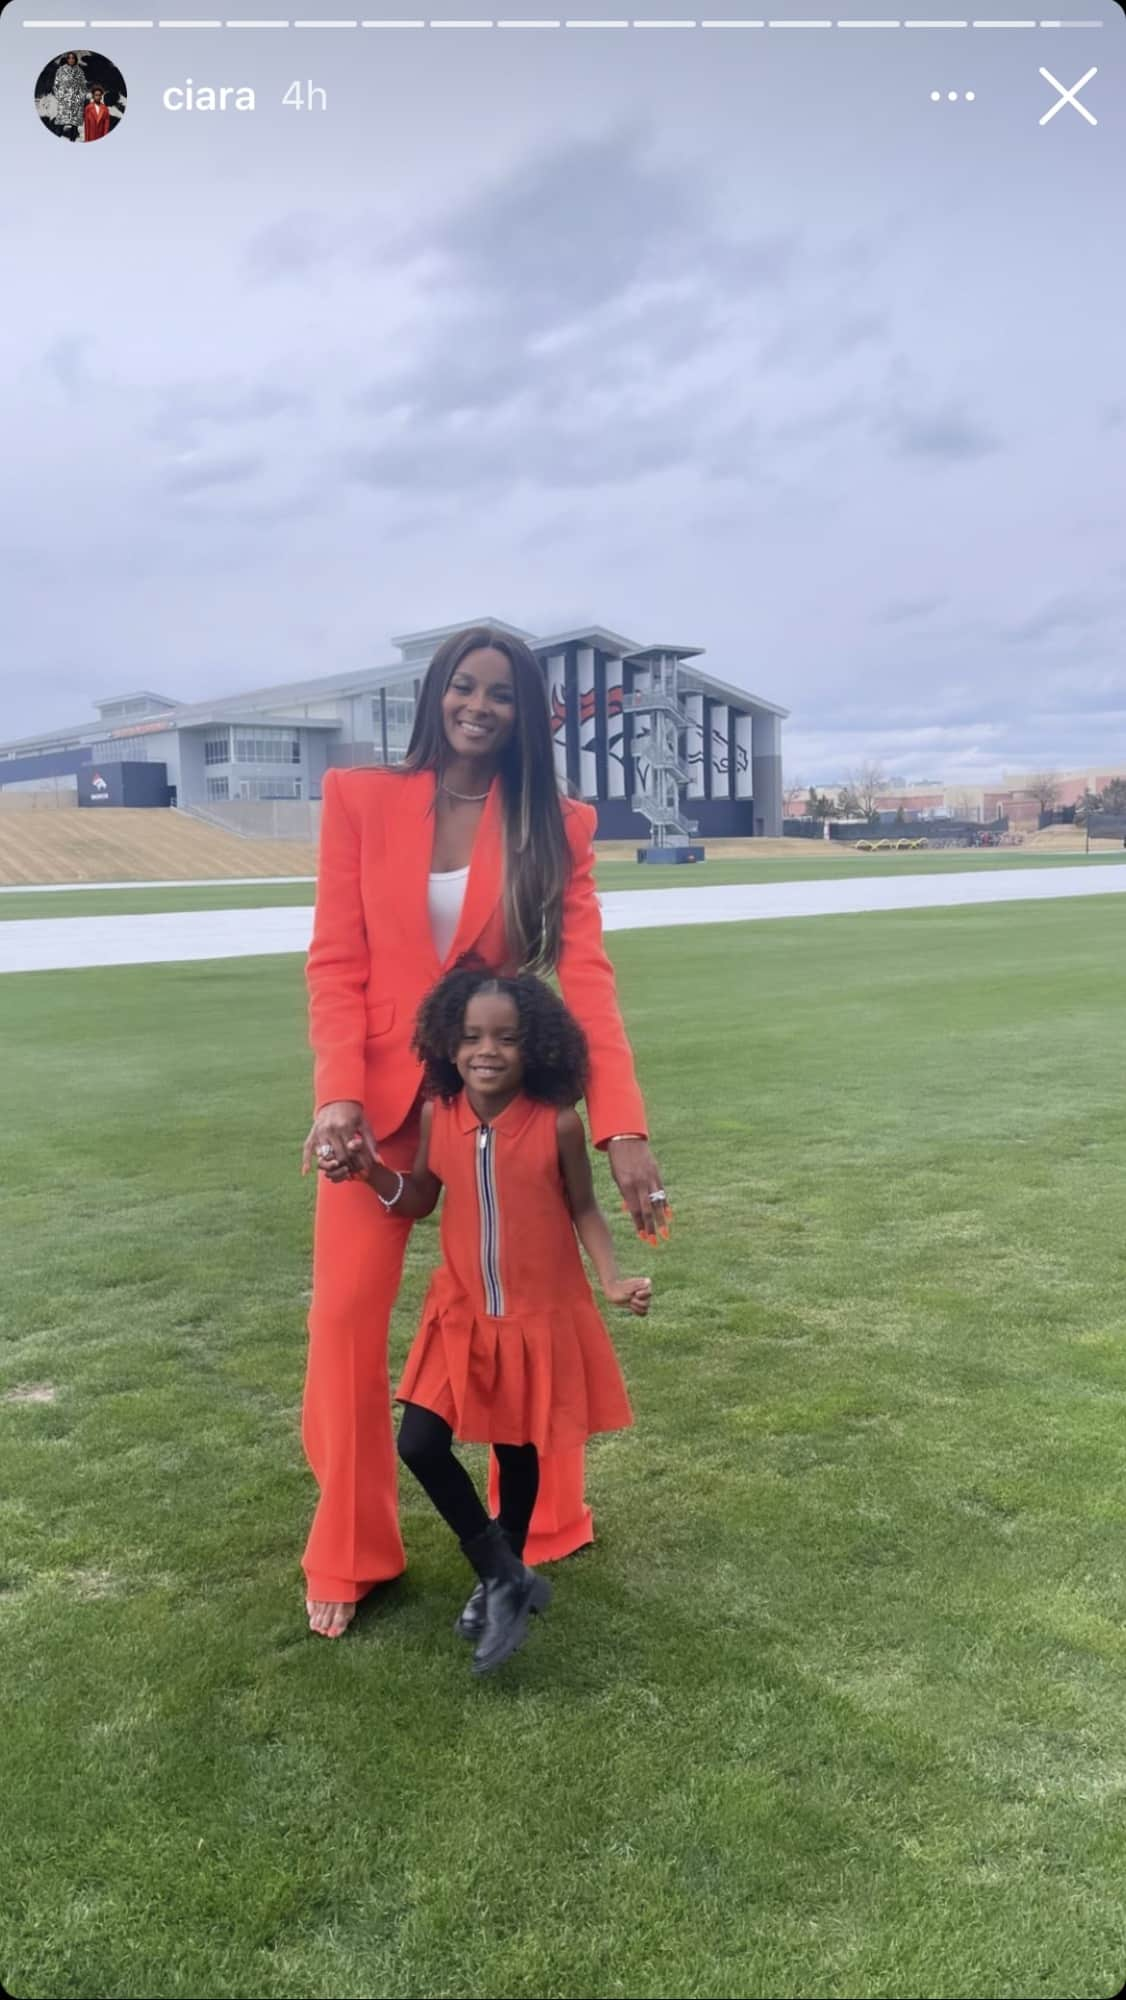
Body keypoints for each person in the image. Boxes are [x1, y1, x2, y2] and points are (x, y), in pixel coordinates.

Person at [300, 623, 670, 1638]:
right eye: (462, 687)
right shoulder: (359, 800)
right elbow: (335, 959)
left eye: (500, 694)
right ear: (435, 695)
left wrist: (619, 1123)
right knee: (343, 1323)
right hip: (375, 1109)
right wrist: (336, 1092)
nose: (477, 706)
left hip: (497, 1104)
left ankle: (545, 1515)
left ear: (526, 713)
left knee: (529, 1308)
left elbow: (585, 975)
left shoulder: (560, 823)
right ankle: (352, 1546)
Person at [320, 965, 653, 1675]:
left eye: (506, 1037)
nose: (487, 1051)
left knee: (518, 1449)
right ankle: (502, 1571)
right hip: (462, 1313)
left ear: (537, 1046)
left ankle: (501, 1576)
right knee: (420, 1442)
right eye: (471, 1037)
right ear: (449, 1043)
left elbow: (584, 1208)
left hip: (537, 1317)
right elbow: (419, 1198)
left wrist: (614, 1278)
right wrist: (372, 1173)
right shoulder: (442, 1115)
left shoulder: (558, 1123)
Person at [52, 52, 86, 138]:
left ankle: (73, 138)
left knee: (75, 124)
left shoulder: (79, 71)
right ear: (67, 59)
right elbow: (56, 84)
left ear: (75, 59)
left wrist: (81, 97)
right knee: (61, 122)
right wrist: (59, 96)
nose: (71, 60)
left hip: (76, 100)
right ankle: (58, 135)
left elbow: (83, 86)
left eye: (73, 58)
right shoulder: (61, 70)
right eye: (69, 58)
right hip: (64, 99)